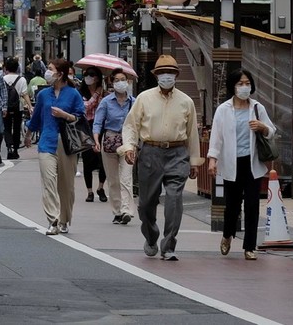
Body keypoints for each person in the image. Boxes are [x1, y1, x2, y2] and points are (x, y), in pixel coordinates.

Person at [119, 55, 202, 261]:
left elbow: (192, 133)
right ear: (156, 75)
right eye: (163, 72)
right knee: (146, 204)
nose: (167, 76)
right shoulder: (144, 98)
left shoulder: (186, 101)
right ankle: (151, 236)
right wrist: (129, 147)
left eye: (170, 72)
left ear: (176, 75)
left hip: (177, 153)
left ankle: (169, 245)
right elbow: (131, 126)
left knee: (174, 199)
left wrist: (194, 161)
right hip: (150, 152)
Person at [208, 68, 276, 261]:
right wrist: (212, 159)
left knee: (252, 205)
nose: (244, 87)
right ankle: (227, 235)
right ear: (233, 86)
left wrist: (262, 127)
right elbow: (216, 137)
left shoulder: (257, 108)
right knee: (232, 206)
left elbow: (272, 131)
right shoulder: (223, 110)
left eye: (247, 83)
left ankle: (249, 247)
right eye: (240, 84)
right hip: (232, 164)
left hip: (252, 163)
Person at [26, 58, 85, 236]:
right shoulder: (43, 94)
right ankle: (53, 220)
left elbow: (80, 118)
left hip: (67, 143)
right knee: (48, 182)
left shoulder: (73, 94)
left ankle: (65, 219)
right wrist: (28, 134)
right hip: (46, 141)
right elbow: (36, 117)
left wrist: (65, 115)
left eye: (51, 69)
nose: (48, 72)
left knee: (66, 186)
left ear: (60, 73)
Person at [92, 68, 136, 225]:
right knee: (113, 179)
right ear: (111, 82)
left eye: (123, 79)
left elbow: (139, 122)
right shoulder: (106, 102)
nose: (120, 82)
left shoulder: (134, 102)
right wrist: (96, 140)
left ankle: (126, 210)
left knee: (126, 177)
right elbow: (98, 122)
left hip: (128, 142)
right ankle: (117, 211)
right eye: (117, 80)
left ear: (128, 81)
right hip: (110, 141)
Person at [78, 66, 107, 203]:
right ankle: (89, 191)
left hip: (101, 127)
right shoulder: (81, 92)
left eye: (92, 75)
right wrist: (96, 95)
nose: (89, 78)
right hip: (86, 127)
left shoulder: (104, 94)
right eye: (87, 75)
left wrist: (102, 96)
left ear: (97, 78)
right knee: (87, 159)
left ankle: (101, 187)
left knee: (102, 159)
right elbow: (86, 107)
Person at [2, 58, 32, 160]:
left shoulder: (2, 79)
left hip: (5, 107)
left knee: (6, 128)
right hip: (18, 107)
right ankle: (15, 150)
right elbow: (24, 94)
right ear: (17, 68)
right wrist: (30, 106)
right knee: (16, 128)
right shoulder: (22, 79)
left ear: (6, 68)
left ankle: (9, 147)